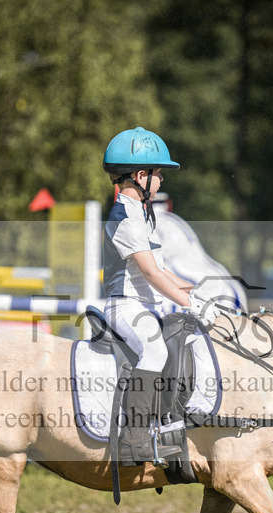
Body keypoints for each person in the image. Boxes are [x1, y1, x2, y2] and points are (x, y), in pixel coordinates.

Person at [101, 127, 216, 462]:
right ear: (140, 175)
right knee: (153, 352)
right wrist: (189, 303)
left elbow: (163, 271)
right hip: (125, 306)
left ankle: (171, 425)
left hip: (144, 304)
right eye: (159, 175)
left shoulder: (142, 214)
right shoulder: (125, 218)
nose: (162, 181)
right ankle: (133, 441)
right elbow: (150, 275)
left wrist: (199, 291)